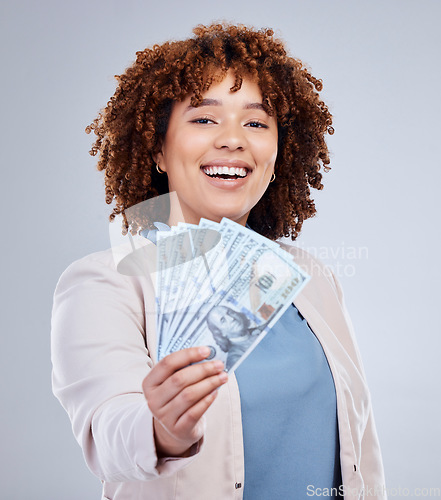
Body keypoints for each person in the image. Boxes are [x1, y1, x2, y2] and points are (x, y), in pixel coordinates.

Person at [51, 23, 386, 499]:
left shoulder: (312, 277)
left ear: (276, 152)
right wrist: (164, 431)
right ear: (158, 149)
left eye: (256, 122)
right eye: (203, 119)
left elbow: (361, 451)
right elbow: (107, 430)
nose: (233, 140)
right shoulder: (104, 283)